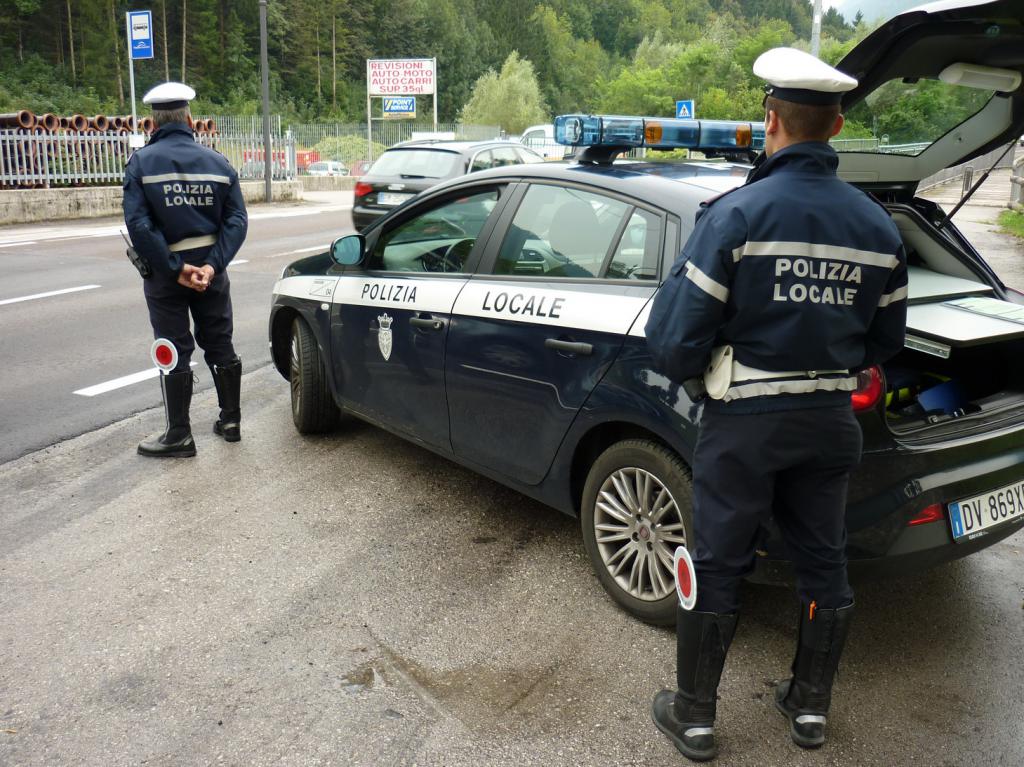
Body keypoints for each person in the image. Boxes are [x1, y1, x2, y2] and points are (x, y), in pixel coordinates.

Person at [646, 48, 908, 761]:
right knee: (824, 562)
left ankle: (695, 715)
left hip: (745, 429)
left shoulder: (735, 215)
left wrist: (708, 374)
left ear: (771, 120)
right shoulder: (880, 229)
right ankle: (809, 709)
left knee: (718, 559)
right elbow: (886, 339)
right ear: (838, 124)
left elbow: (673, 341)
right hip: (829, 426)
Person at [123, 82, 248, 457]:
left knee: (173, 348)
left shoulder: (141, 164)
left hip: (166, 277)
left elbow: (139, 225)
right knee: (219, 341)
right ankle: (231, 421)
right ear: (190, 118)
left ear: (152, 122)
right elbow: (237, 220)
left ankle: (179, 434)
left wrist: (175, 269)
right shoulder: (218, 162)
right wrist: (211, 267)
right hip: (211, 275)